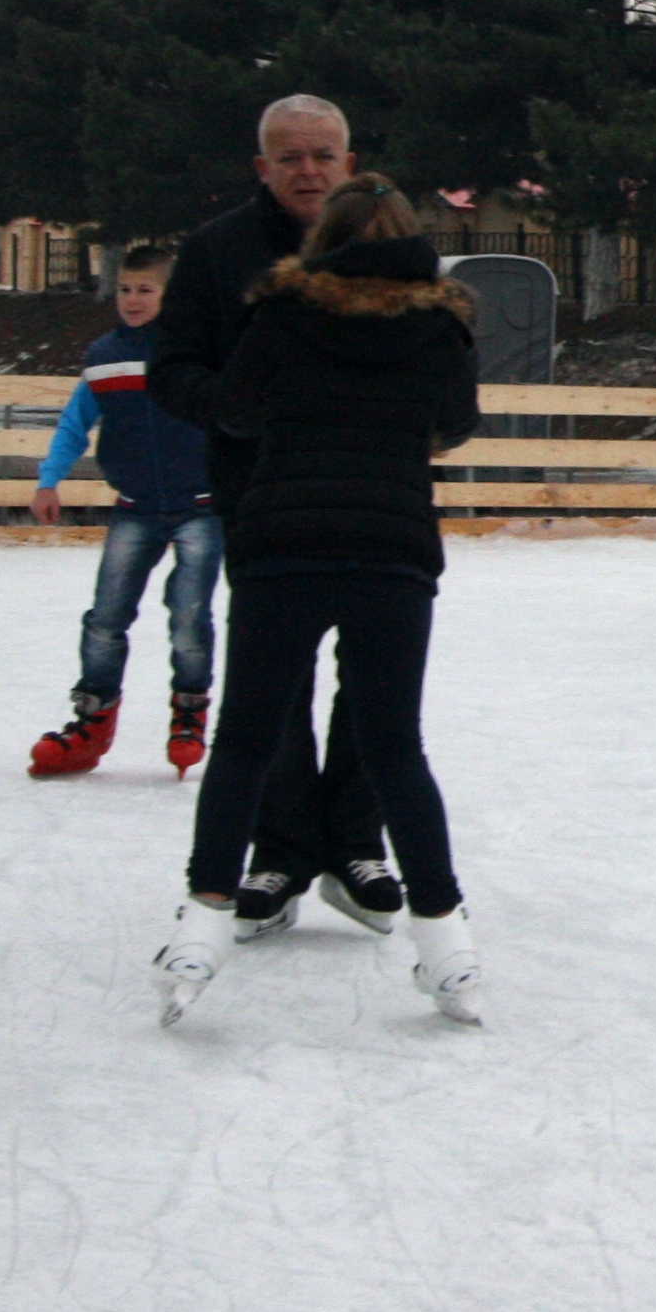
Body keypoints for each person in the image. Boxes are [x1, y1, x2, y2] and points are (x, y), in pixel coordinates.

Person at [152, 176, 486, 1029]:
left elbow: (234, 412)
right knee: (394, 748)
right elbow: (455, 423)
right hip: (391, 550)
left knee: (245, 742)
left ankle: (202, 926)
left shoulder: (280, 313)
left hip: (282, 546)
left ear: (323, 242)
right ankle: (447, 945)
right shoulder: (442, 326)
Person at [146, 94, 400, 940]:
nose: (308, 170)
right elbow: (171, 366)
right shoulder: (219, 251)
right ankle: (282, 848)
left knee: (372, 680)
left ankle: (357, 843)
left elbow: (436, 364)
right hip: (262, 501)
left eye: (323, 154)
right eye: (289, 156)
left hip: (373, 501)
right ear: (262, 167)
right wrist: (234, 408)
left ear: (349, 159)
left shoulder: (388, 247)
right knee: (273, 686)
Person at [23, 245, 220, 779]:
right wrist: (49, 481)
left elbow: (237, 415)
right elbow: (74, 424)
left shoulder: (197, 352)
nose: (132, 300)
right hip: (134, 508)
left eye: (145, 290)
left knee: (188, 618)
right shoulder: (103, 356)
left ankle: (189, 712)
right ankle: (92, 720)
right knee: (106, 618)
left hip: (201, 508)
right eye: (125, 290)